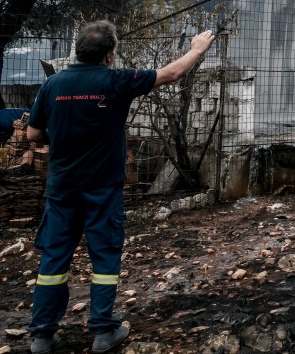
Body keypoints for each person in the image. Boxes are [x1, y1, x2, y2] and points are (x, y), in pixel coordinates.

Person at [26, 21, 216, 354]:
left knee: (54, 259)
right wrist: (197, 49)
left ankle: (41, 335)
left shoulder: (53, 84)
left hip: (62, 188)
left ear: (79, 50)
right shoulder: (115, 81)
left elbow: (32, 135)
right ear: (110, 54)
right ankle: (102, 332)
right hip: (102, 188)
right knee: (104, 257)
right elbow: (169, 74)